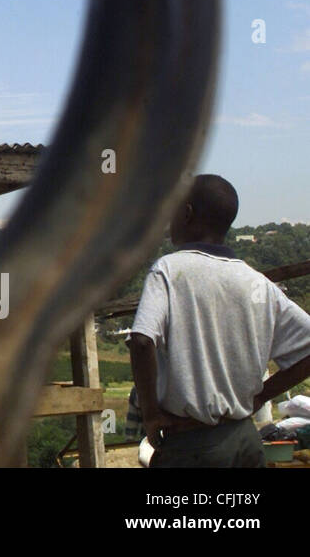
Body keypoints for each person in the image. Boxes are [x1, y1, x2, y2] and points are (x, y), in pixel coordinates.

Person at [128, 174, 310, 467]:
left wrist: (150, 415)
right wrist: (261, 397)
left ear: (186, 213)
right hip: (245, 440)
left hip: (192, 445)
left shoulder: (169, 271)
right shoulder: (257, 283)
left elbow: (141, 340)